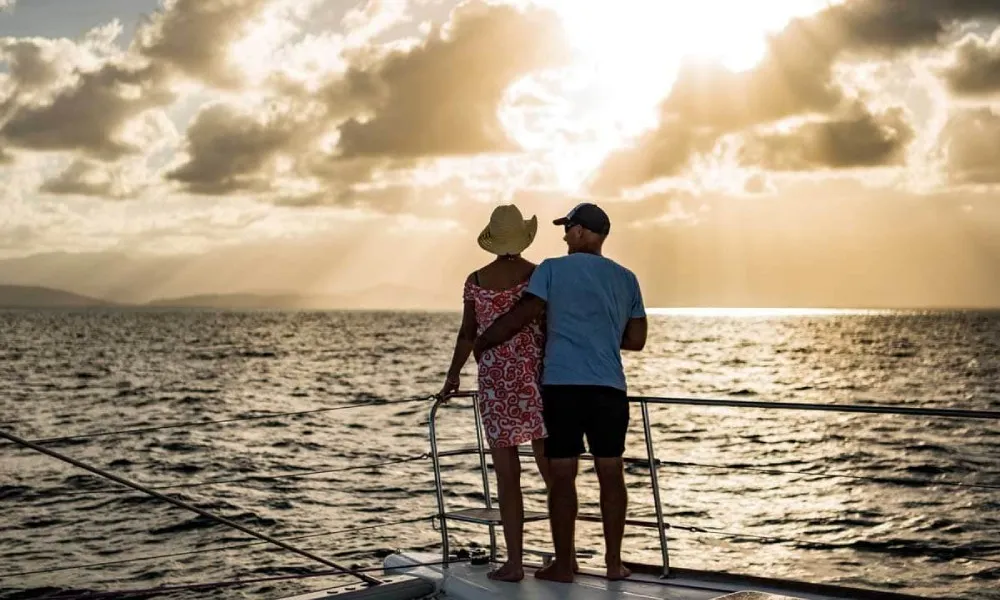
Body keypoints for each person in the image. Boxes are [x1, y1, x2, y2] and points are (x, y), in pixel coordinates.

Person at [473, 202, 647, 583]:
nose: (565, 236)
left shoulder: (551, 269)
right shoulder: (627, 278)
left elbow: (523, 315)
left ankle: (564, 566)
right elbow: (637, 339)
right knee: (611, 472)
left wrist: (483, 341)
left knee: (563, 475)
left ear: (581, 231)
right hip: (609, 389)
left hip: (563, 387)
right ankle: (614, 564)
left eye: (568, 229)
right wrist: (600, 333)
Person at [439, 203, 550, 583]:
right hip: (536, 380)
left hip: (494, 384)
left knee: (507, 478)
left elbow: (467, 334)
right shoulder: (538, 275)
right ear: (522, 237)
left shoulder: (476, 280)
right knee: (553, 474)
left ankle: (515, 563)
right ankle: (565, 557)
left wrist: (453, 375)